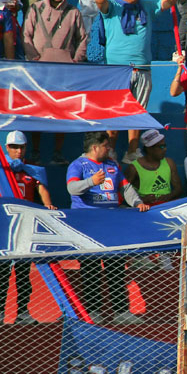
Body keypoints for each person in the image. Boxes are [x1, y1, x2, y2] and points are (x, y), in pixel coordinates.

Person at [94, 0, 178, 163]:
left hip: (142, 69)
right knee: (114, 113)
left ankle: (132, 151)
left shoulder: (146, 5)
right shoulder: (113, 6)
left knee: (137, 113)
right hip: (117, 71)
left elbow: (169, 2)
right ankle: (110, 151)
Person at [66, 131, 149, 323]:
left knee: (116, 265)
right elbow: (72, 188)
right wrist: (91, 182)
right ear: (95, 147)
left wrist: (137, 203)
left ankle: (121, 311)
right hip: (88, 223)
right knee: (91, 267)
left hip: (111, 223)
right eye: (106, 145)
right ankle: (93, 311)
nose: (109, 148)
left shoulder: (112, 164)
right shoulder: (78, 165)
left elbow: (125, 188)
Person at [3, 133, 54, 323]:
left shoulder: (32, 169)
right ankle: (0, 313)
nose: (18, 151)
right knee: (2, 272)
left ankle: (23, 312)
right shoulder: (1, 170)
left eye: (21, 147)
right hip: (5, 227)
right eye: (14, 147)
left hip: (25, 227)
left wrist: (48, 205)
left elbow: (42, 190)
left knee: (23, 272)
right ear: (7, 147)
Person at [23, 0, 88, 70]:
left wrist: (76, 60)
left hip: (66, 67)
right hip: (39, 65)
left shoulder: (73, 12)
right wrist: (33, 57)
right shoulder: (35, 9)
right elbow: (26, 35)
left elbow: (82, 38)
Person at [125, 129, 181, 206]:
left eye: (164, 146)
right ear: (149, 149)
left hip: (167, 204)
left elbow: (178, 189)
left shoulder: (169, 163)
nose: (165, 149)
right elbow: (124, 192)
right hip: (145, 207)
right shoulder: (134, 168)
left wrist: (168, 196)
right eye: (161, 147)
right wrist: (142, 199)